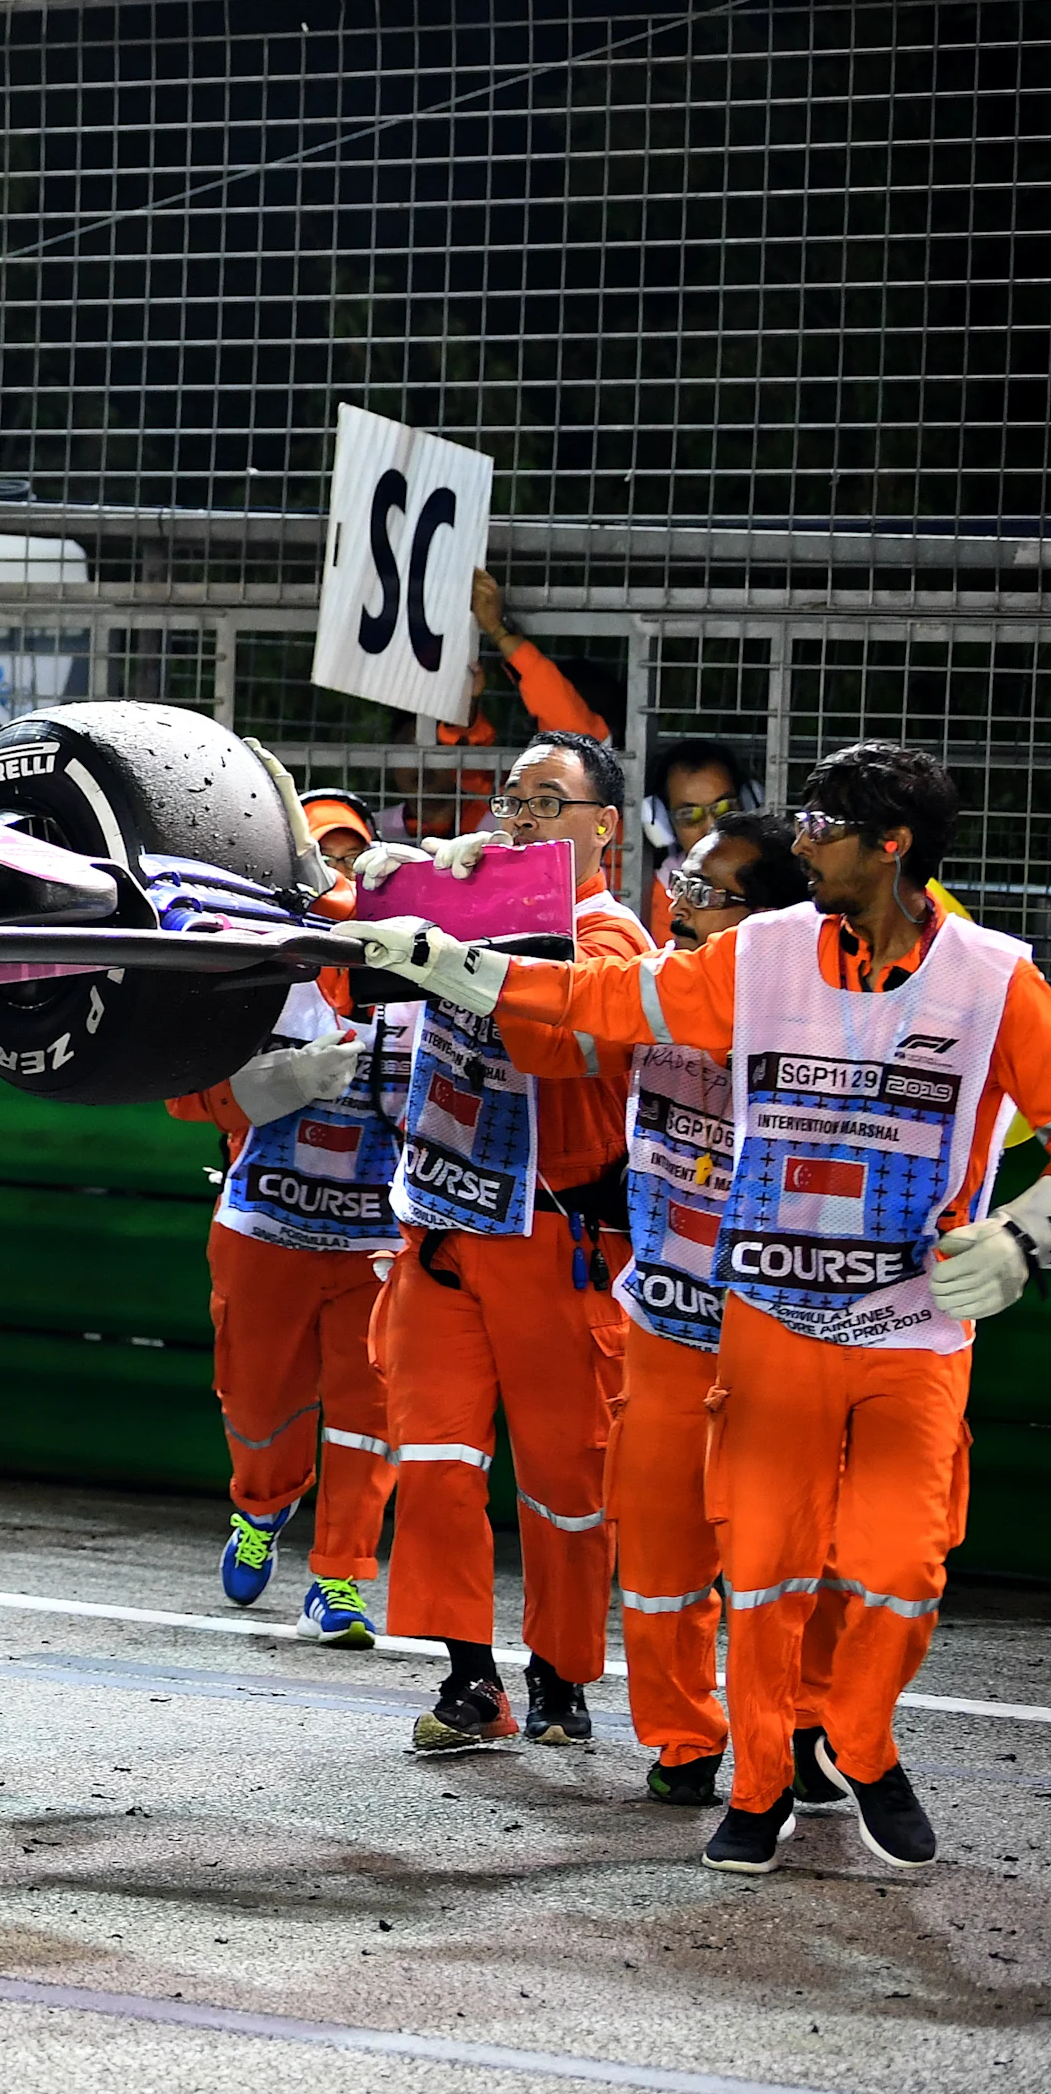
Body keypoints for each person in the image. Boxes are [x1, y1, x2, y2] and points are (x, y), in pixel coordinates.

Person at [352, 742, 1050, 1873]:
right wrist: (441, 927)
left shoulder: (983, 978)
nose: (678, 898)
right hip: (723, 1327)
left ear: (886, 847)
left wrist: (1023, 1234)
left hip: (895, 1332)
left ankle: (849, 1733)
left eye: (827, 821)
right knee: (732, 1567)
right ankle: (734, 1765)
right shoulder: (736, 961)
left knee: (888, 1566)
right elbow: (579, 995)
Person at [348, 732, 651, 1751]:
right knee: (432, 1461)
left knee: (566, 1482)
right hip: (440, 1233)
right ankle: (467, 1679)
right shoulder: (459, 895)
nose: (518, 819)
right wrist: (377, 892)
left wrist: (454, 949)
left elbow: (559, 1042)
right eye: (510, 800)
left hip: (556, 1246)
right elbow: (358, 983)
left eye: (546, 802)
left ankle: (561, 1676)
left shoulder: (616, 943)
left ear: (602, 829)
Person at [611, 818, 845, 1812]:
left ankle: (796, 1724)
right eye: (675, 884)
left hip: (780, 1342)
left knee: (798, 1553)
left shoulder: (827, 1020)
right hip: (664, 1326)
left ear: (765, 921)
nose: (675, 905)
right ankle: (679, 1737)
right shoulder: (651, 986)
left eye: (702, 894)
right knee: (658, 1553)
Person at [165, 912, 409, 1646]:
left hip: (380, 1243)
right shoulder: (258, 970)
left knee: (370, 1416)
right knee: (256, 1402)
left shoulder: (427, 980)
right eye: (325, 858)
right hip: (263, 1230)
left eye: (353, 860)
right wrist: (279, 1082)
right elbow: (183, 1096)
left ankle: (339, 1577)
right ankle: (261, 1508)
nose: (342, 884)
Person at [433, 571, 611, 831]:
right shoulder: (519, 786)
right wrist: (466, 706)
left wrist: (497, 629)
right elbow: (468, 770)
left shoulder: (601, 775)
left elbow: (561, 709)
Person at [641, 738, 757, 942]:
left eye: (723, 808)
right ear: (663, 824)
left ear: (747, 805)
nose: (712, 826)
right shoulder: (656, 898)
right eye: (690, 815)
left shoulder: (778, 882)